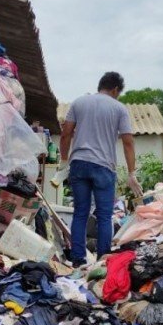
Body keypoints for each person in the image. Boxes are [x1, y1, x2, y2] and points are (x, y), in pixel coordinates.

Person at [58, 71, 143, 266]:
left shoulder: (79, 102)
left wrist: (64, 160)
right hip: (104, 167)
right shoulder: (119, 108)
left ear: (100, 86)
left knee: (80, 212)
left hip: (78, 163)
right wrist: (131, 172)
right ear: (115, 90)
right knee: (104, 216)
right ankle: (103, 261)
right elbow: (128, 142)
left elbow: (65, 134)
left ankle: (78, 260)